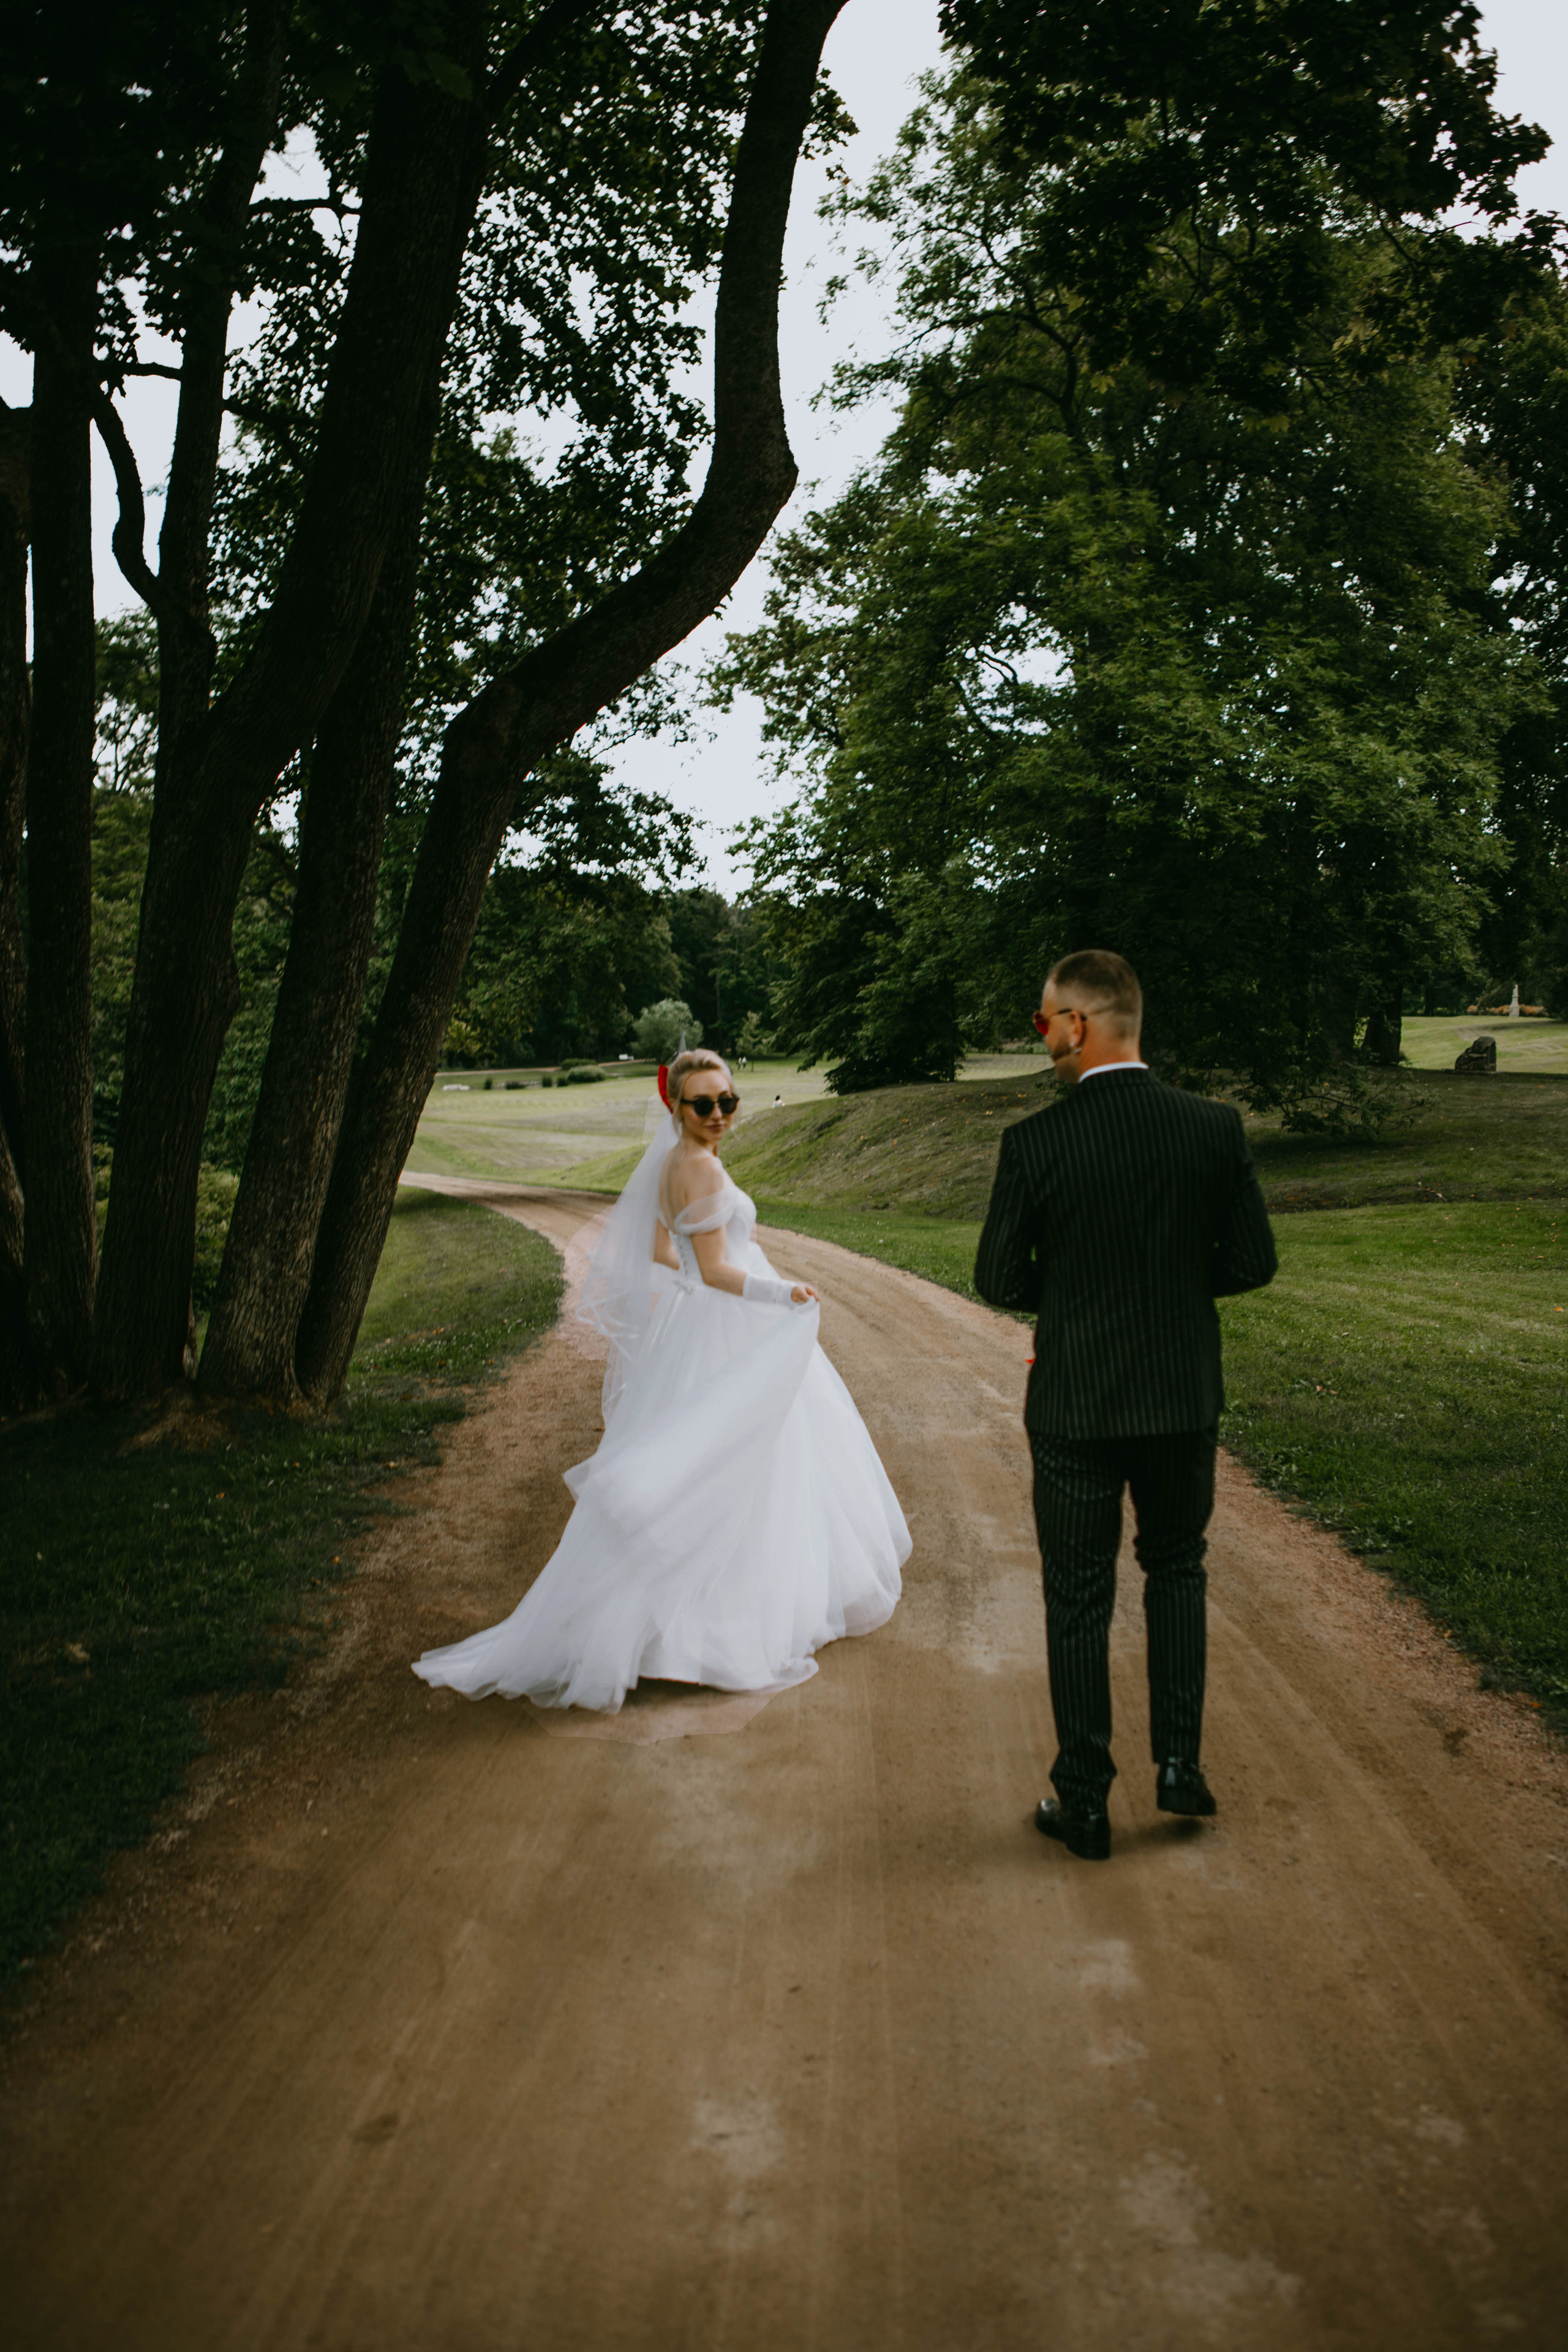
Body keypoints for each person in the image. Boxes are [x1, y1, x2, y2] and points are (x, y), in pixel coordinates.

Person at [413, 1049, 909, 1711]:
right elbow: (713, 1272)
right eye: (702, 1104)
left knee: (713, 1458)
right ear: (675, 1107)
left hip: (694, 1324)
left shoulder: (673, 1164)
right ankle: (707, 1630)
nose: (717, 1115)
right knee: (731, 1463)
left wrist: (697, 1278)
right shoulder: (699, 1168)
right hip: (724, 1318)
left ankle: (659, 1627)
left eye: (727, 1101)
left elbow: (658, 1250)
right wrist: (780, 1288)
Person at [974, 951, 1277, 1861]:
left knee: (1078, 1597)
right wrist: (1174, 1295)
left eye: (1042, 1023)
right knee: (1177, 1569)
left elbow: (996, 1276)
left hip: (1075, 1403)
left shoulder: (1037, 1143)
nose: (1042, 1041)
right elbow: (1254, 1261)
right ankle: (1180, 1766)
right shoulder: (1212, 1129)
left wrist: (1073, 1303)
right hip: (1181, 1395)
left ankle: (1085, 1800)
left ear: (1078, 1022)